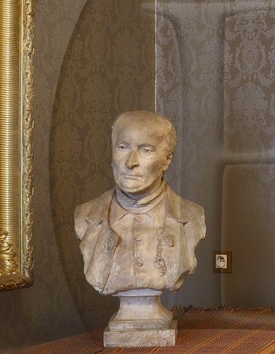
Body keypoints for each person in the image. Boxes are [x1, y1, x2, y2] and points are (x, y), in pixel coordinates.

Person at [75, 110, 207, 297]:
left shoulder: (191, 216)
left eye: (146, 150)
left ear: (167, 159)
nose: (131, 162)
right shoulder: (86, 215)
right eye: (123, 147)